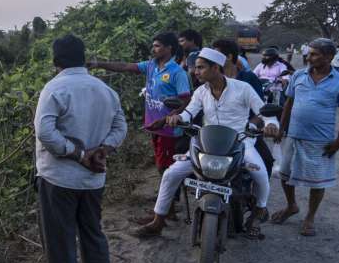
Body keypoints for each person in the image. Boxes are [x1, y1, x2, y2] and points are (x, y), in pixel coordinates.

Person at [133, 48, 279, 239]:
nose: (195, 71)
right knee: (171, 173)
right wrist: (178, 117)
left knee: (259, 172)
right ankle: (158, 221)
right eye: (196, 68)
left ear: (216, 68)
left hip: (240, 141)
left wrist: (270, 125)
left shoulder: (243, 88)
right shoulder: (201, 91)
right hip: (207, 142)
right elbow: (189, 112)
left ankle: (258, 214)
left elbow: (264, 113)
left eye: (200, 68)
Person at [35, 34, 128, 263]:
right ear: (83, 57)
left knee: (61, 242)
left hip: (58, 180)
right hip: (93, 181)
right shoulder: (104, 90)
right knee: (93, 236)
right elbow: (121, 126)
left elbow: (45, 132)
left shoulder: (54, 89)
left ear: (55, 62)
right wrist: (102, 150)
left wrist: (78, 153)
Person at [271, 38, 339, 237]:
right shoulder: (298, 75)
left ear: (329, 57)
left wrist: (338, 142)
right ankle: (292, 206)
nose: (309, 57)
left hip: (320, 140)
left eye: (315, 54)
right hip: (294, 135)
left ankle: (310, 217)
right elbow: (288, 104)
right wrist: (281, 129)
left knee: (318, 181)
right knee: (285, 174)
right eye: (309, 53)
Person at [88, 33, 191, 174]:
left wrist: (165, 119)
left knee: (166, 167)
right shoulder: (150, 66)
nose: (153, 49)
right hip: (154, 127)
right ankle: (171, 194)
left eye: (157, 46)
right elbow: (125, 66)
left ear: (168, 48)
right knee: (162, 165)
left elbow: (186, 100)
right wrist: (98, 64)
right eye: (153, 46)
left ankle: (172, 196)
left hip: (169, 129)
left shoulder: (177, 72)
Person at [212, 38, 277, 177]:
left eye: (216, 55)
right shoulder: (212, 79)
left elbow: (260, 110)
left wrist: (252, 126)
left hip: (245, 133)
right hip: (216, 133)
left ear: (229, 57)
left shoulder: (249, 78)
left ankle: (256, 197)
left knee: (266, 161)